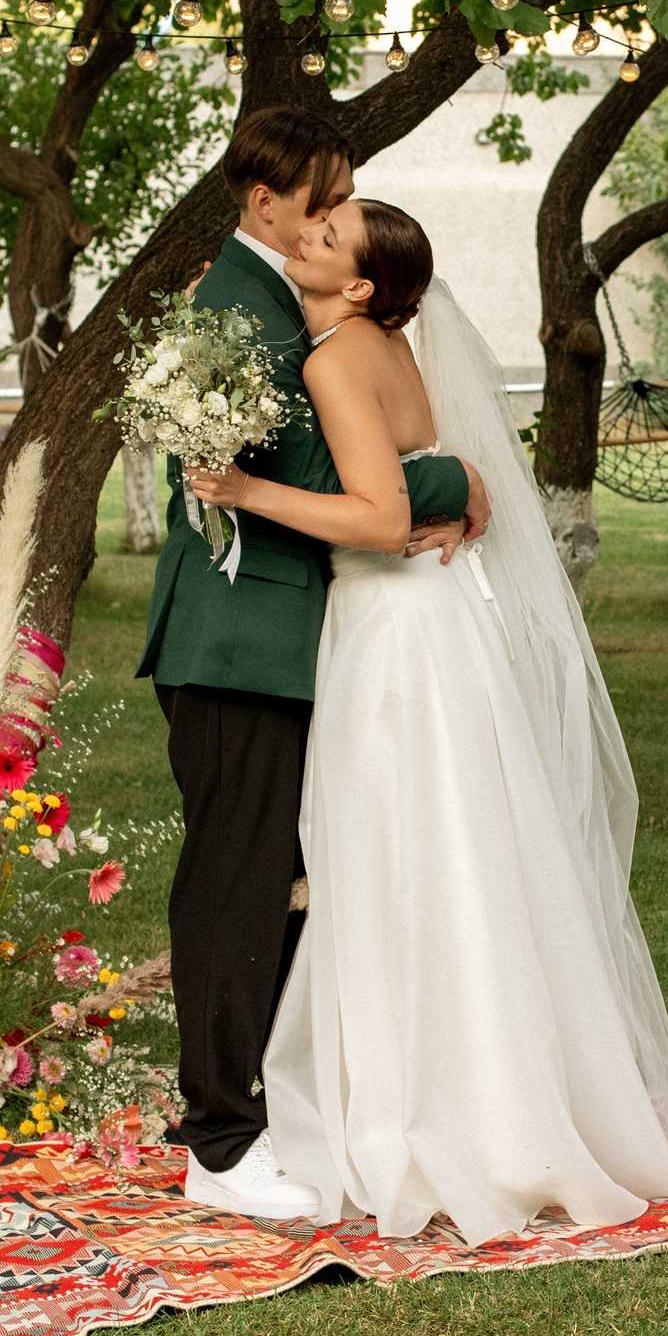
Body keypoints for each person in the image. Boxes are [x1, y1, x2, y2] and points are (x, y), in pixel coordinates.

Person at [185, 198, 668, 1243]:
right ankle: (490, 1091)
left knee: (398, 863)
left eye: (326, 240)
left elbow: (375, 517)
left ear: (361, 284)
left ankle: (424, 1111)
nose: (305, 239)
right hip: (433, 620)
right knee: (460, 853)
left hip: (394, 633)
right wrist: (453, 488)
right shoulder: (378, 344)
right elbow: (424, 480)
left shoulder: (333, 359)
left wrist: (243, 489)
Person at [137, 110, 489, 1221]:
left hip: (285, 640)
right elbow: (329, 472)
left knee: (286, 886)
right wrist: (454, 487)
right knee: (237, 885)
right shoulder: (240, 310)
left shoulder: (266, 300)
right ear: (266, 203)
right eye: (324, 202)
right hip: (239, 644)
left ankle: (271, 1104)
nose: (334, 219)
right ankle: (221, 1144)